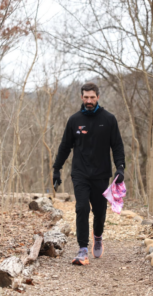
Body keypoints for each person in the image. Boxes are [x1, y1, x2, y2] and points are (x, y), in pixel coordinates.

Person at [52, 82, 125, 265]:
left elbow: (117, 146)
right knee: (81, 208)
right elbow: (65, 147)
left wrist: (120, 167)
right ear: (81, 97)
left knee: (99, 212)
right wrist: (56, 168)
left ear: (98, 97)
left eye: (92, 97)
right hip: (80, 173)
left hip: (101, 174)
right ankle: (82, 249)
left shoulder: (109, 119)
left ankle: (98, 236)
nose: (89, 100)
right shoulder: (74, 120)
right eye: (86, 97)